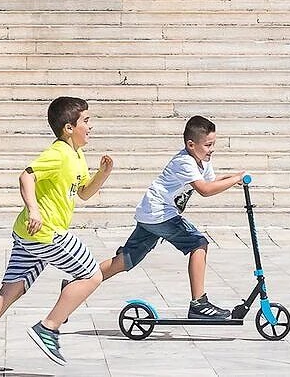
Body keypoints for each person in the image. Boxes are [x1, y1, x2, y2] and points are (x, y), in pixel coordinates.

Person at [0, 96, 116, 372]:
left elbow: (85, 193)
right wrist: (34, 210)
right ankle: (49, 328)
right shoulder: (59, 153)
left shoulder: (76, 154)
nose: (91, 127)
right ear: (68, 127)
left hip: (28, 236)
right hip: (46, 233)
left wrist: (103, 173)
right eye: (86, 121)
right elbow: (26, 175)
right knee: (92, 274)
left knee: (10, 290)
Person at [98, 114, 245, 322]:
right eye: (208, 145)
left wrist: (232, 177)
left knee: (126, 260)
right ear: (191, 144)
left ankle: (79, 283)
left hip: (150, 214)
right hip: (160, 214)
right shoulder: (184, 161)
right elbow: (204, 189)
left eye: (213, 144)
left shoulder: (202, 160)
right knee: (199, 243)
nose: (211, 149)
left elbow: (210, 180)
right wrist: (235, 180)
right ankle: (199, 304)